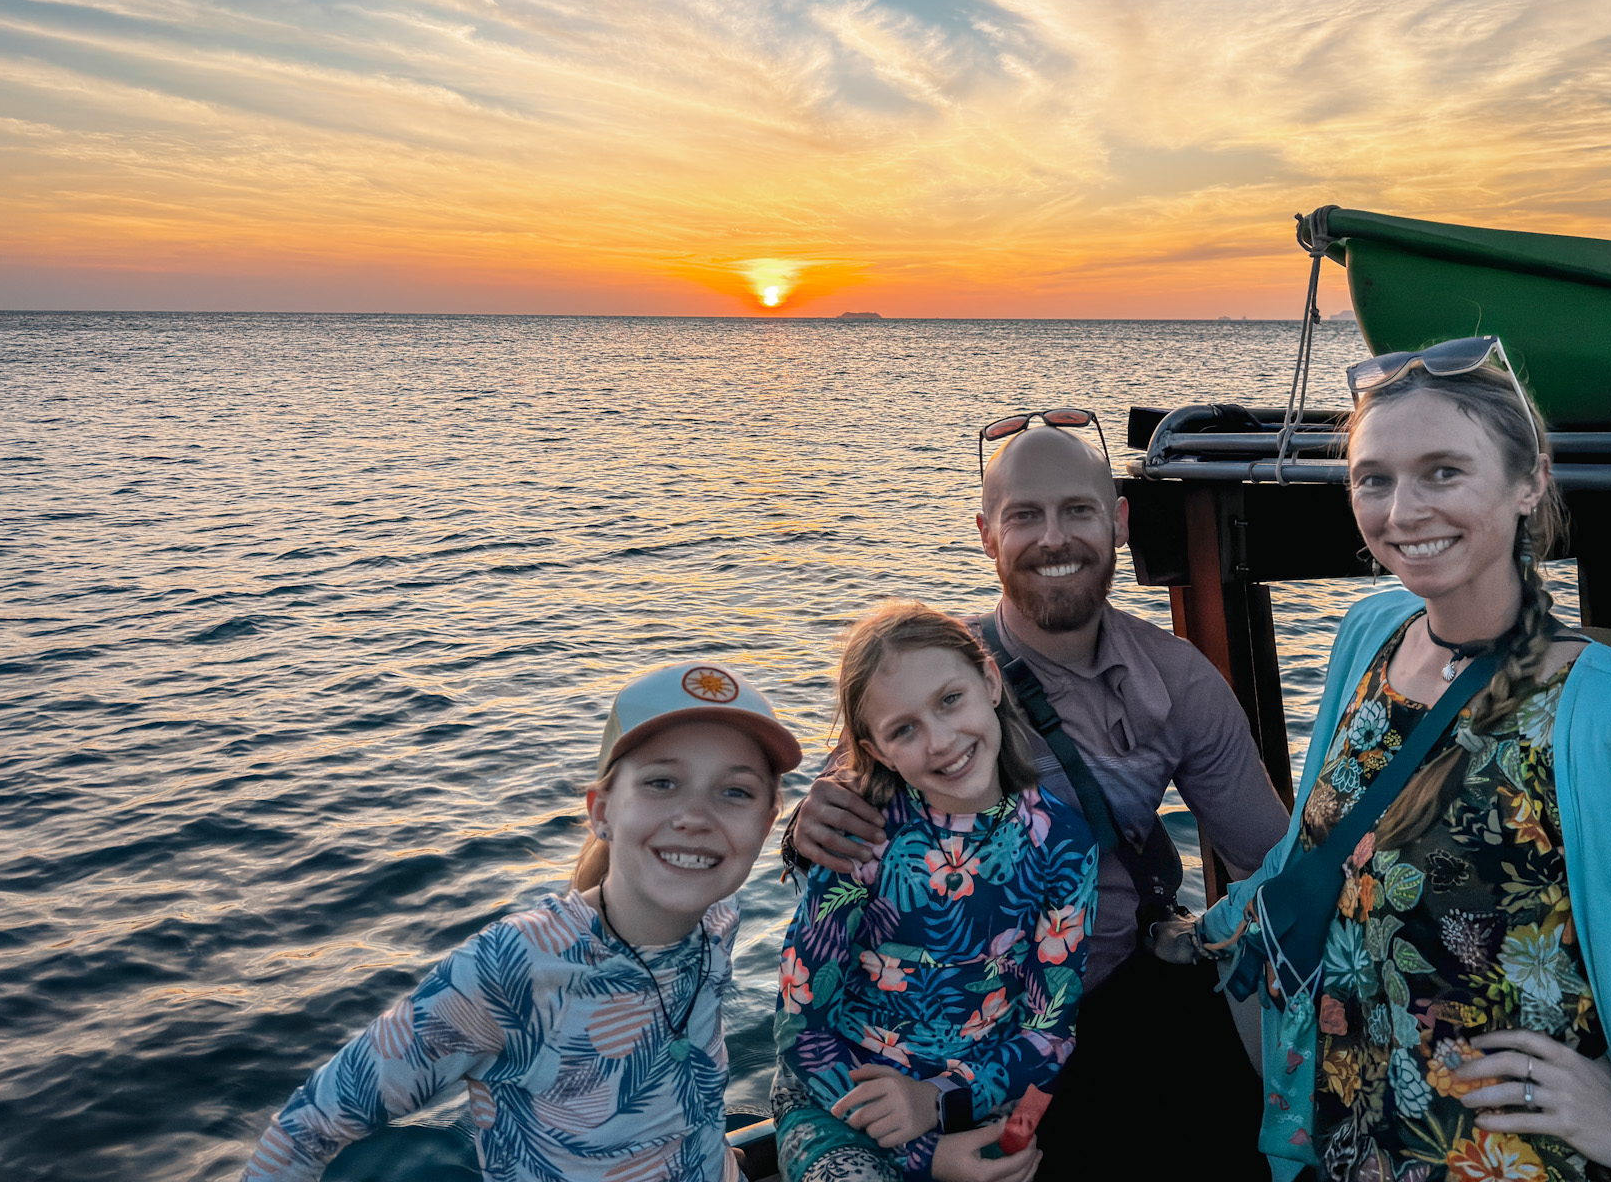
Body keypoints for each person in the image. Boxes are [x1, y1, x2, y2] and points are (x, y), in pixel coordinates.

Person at [1153, 338, 1611, 1181]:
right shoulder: (1371, 638)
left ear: (1530, 481)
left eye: (1444, 471)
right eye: (1374, 479)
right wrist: (1198, 929)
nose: (1402, 511)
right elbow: (1320, 857)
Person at [788, 416, 1290, 1175]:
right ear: (987, 535)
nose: (1054, 538)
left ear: (1119, 522)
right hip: (919, 1041)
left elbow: (1271, 868)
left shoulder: (1170, 693)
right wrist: (807, 825)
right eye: (1025, 515)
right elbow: (809, 978)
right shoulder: (925, 680)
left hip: (1086, 1017)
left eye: (1077, 510)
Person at [239, 662, 804, 1182]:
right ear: (601, 812)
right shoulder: (512, 968)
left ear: (767, 823)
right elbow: (304, 1129)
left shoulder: (717, 918)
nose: (696, 817)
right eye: (662, 782)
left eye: (735, 791)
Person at [772, 601, 1098, 1182]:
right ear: (876, 750)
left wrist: (1007, 1135)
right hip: (836, 1099)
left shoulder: (1064, 845)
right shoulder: (864, 839)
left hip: (975, 1098)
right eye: (904, 729)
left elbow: (1049, 1034)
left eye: (950, 699)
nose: (941, 741)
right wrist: (924, 1155)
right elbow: (801, 1027)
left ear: (990, 682)